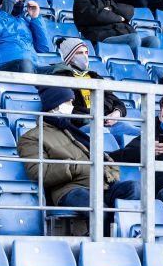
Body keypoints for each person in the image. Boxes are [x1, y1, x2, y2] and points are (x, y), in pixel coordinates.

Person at [18, 86, 138, 220]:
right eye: (69, 102)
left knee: (135, 188)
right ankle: (106, 238)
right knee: (98, 210)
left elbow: (102, 156)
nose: (72, 106)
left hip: (101, 185)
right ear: (55, 105)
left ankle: (124, 236)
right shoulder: (32, 137)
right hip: (70, 189)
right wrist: (75, 166)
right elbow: (38, 172)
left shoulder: (71, 130)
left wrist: (111, 170)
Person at [73, 0, 160, 57]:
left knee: (153, 40)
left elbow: (129, 11)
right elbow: (96, 16)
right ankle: (134, 67)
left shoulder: (110, 0)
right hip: (103, 38)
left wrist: (110, 9)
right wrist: (119, 18)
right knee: (134, 39)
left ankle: (148, 70)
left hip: (123, 34)